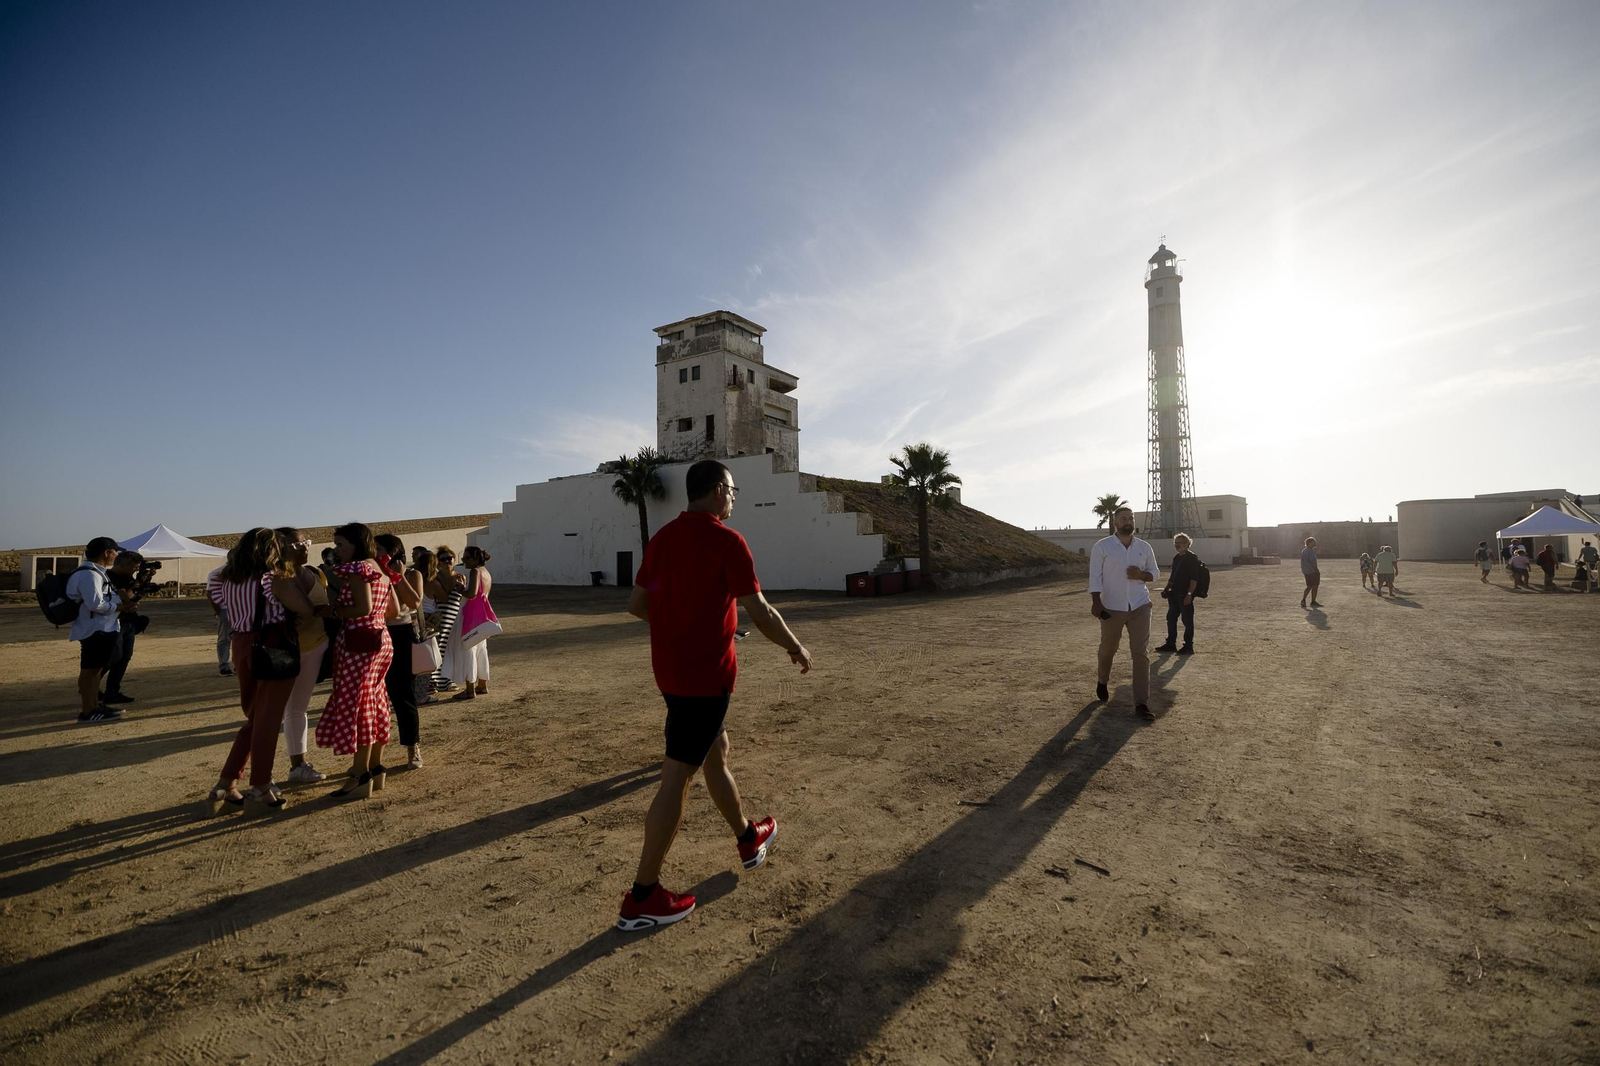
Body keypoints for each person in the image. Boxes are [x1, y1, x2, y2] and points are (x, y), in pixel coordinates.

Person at [618, 459, 811, 931]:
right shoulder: (728, 541)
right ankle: (642, 896)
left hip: (672, 674)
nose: (734, 497)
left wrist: (679, 628)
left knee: (716, 752)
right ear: (718, 489)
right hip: (706, 680)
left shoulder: (662, 539)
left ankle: (747, 836)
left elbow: (638, 604)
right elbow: (759, 611)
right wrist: (795, 645)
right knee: (676, 778)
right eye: (733, 489)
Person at [204, 528, 317, 817]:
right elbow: (305, 608)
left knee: (256, 718)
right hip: (272, 645)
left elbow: (219, 607)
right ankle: (260, 786)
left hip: (241, 644)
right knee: (267, 721)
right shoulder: (274, 578)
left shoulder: (224, 578)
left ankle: (227, 783)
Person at [314, 523, 395, 800]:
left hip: (359, 641)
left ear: (356, 544)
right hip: (379, 638)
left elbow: (362, 608)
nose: (337, 551)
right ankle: (374, 767)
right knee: (376, 702)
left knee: (359, 705)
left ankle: (360, 774)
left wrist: (334, 610)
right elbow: (393, 609)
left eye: (340, 545)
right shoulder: (380, 569)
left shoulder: (360, 569)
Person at [1089, 505, 1160, 721]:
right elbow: (1095, 576)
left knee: (1140, 653)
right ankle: (1102, 680)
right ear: (1115, 523)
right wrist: (1096, 602)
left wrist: (1142, 575)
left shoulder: (1144, 547)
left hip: (1140, 606)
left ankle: (1141, 703)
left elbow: (1155, 573)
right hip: (1112, 607)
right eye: (1123, 518)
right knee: (1108, 650)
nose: (1128, 521)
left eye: (1131, 518)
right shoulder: (1102, 547)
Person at [274, 527, 329, 784]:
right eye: (297, 545)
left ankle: (300, 764)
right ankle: (288, 767)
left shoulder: (315, 573)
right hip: (287, 651)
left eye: (305, 542)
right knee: (277, 711)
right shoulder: (275, 578)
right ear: (279, 547)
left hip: (317, 646)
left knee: (299, 708)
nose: (305, 547)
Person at [375, 533, 424, 771]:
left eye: (381, 550)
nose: (376, 554)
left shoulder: (413, 574)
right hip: (377, 635)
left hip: (402, 634)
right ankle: (373, 757)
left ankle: (412, 746)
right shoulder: (371, 574)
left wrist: (399, 576)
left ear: (394, 552)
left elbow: (414, 602)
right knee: (376, 698)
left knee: (404, 695)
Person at [67, 537, 130, 724]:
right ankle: (88, 711)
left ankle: (94, 706)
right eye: (115, 551)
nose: (117, 555)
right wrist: (120, 607)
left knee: (95, 670)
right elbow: (95, 604)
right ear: (106, 552)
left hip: (101, 628)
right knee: (90, 671)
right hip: (96, 629)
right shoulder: (89, 575)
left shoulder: (95, 573)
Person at [102, 550, 152, 705]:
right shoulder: (107, 578)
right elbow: (125, 597)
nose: (135, 570)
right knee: (111, 658)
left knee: (124, 657)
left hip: (129, 621)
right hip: (114, 623)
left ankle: (112, 691)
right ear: (123, 564)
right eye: (134, 567)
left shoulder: (127, 578)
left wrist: (143, 584)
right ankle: (89, 685)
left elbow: (133, 598)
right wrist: (135, 586)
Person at [446, 545, 494, 700]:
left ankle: (469, 689)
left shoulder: (475, 572)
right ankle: (482, 684)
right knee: (480, 650)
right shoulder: (486, 573)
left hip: (470, 617)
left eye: (466, 557)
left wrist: (460, 588)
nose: (463, 560)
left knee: (467, 650)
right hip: (481, 618)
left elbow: (472, 594)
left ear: (475, 559)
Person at [1154, 533, 1200, 655]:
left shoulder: (1191, 558)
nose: (1179, 545)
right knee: (1171, 619)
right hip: (1174, 594)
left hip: (1184, 595)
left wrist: (1189, 594)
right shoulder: (1177, 558)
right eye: (1177, 543)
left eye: (1182, 543)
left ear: (1188, 544)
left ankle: (1188, 646)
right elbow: (1173, 576)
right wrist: (1166, 589)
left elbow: (1194, 578)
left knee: (1187, 621)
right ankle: (1171, 644)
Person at [430, 545, 466, 693]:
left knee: (451, 649)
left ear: (454, 559)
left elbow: (463, 598)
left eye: (449, 558)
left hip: (455, 617)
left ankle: (448, 680)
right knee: (438, 649)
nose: (447, 561)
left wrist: (462, 587)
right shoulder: (435, 578)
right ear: (438, 562)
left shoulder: (460, 577)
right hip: (440, 617)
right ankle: (435, 681)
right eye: (443, 559)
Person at [411, 548, 441, 712]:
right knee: (428, 656)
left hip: (415, 619)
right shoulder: (433, 582)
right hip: (429, 620)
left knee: (417, 657)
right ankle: (423, 693)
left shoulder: (413, 577)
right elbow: (444, 596)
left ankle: (419, 691)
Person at [206, 564, 234, 677]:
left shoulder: (215, 573)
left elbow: (209, 594)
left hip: (226, 609)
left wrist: (218, 611)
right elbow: (209, 594)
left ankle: (225, 666)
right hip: (232, 609)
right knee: (231, 638)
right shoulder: (243, 573)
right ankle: (228, 665)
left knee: (225, 639)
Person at [1300, 536, 1321, 609]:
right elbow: (1312, 561)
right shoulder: (1311, 551)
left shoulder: (1304, 550)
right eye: (1313, 542)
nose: (1315, 543)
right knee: (1315, 586)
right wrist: (1316, 569)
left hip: (1306, 571)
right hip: (1312, 571)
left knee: (1309, 586)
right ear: (1309, 543)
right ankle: (1313, 601)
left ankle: (1303, 600)